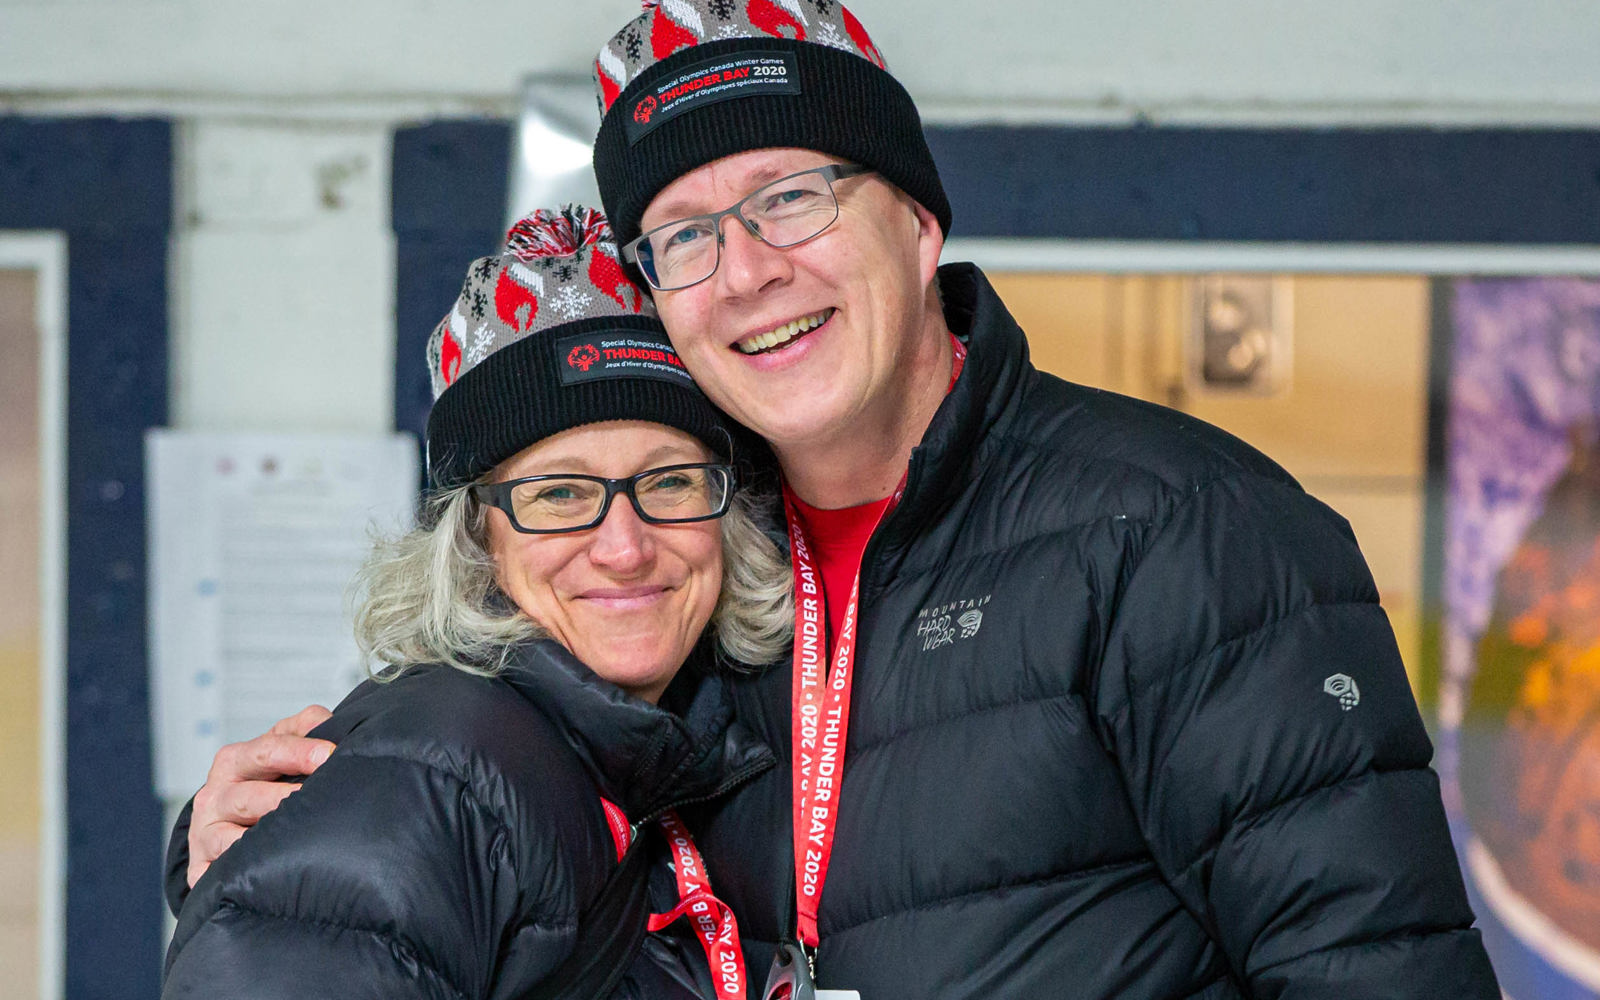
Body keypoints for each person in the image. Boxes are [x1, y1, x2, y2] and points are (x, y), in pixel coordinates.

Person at [183, 2, 1504, 997]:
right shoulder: (689, 599)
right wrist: (243, 856)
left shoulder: (1177, 533)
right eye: (687, 235)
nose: (747, 268)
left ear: (919, 224)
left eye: (791, 196)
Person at [162, 206, 791, 999]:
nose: (625, 548)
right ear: (474, 537)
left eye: (669, 482)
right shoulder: (442, 773)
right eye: (560, 494)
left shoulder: (643, 755)